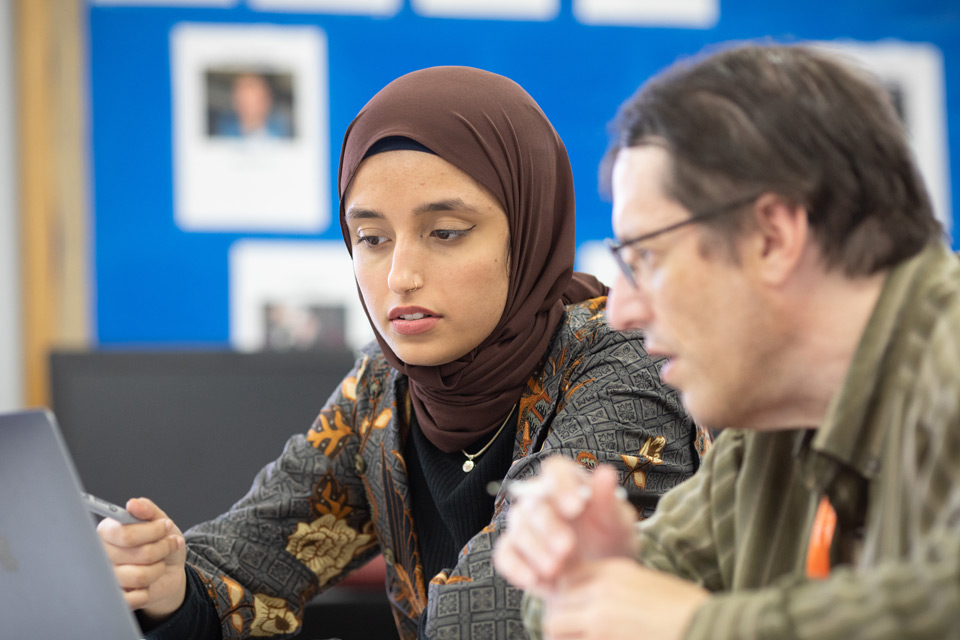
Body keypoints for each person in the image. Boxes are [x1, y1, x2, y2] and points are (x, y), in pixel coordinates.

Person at [97, 66, 706, 639]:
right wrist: (169, 584)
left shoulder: (626, 367)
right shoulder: (385, 385)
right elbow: (251, 558)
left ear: (528, 228)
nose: (400, 276)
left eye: (445, 233)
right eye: (371, 238)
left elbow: (499, 612)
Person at [493, 42, 960, 640]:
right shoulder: (772, 421)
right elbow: (606, 609)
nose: (622, 313)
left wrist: (699, 627)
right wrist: (588, 568)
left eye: (647, 259)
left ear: (771, 237)